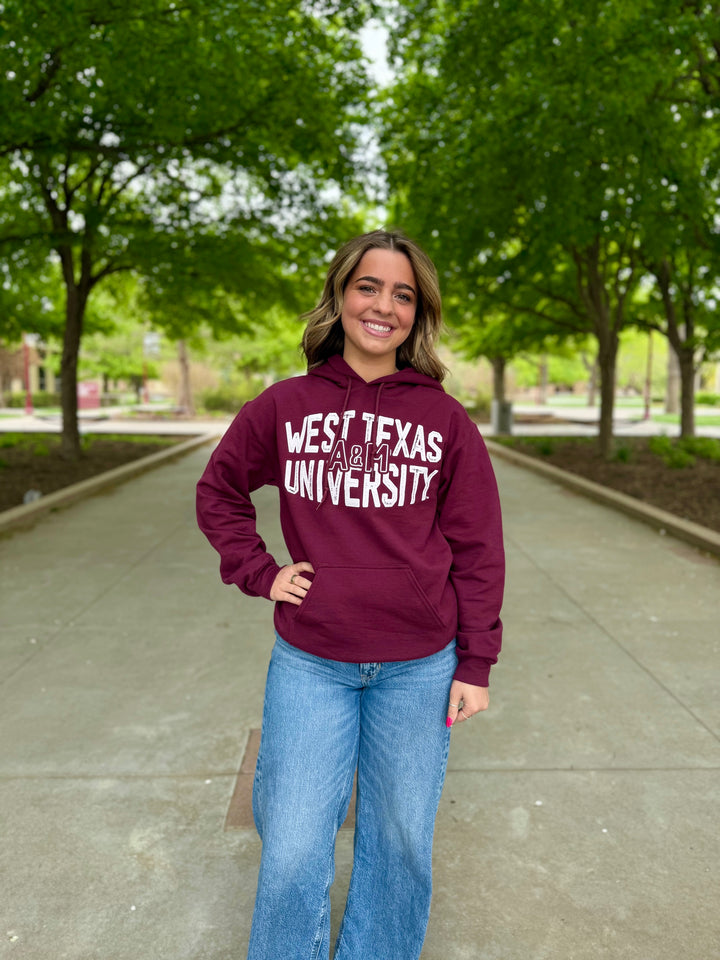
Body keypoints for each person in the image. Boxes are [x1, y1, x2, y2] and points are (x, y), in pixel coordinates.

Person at [196, 229, 505, 960]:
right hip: (313, 662)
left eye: (403, 294)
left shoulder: (446, 422)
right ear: (340, 296)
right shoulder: (285, 406)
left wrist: (476, 662)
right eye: (369, 286)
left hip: (420, 666)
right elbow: (220, 492)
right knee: (295, 846)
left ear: (417, 315)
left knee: (400, 845)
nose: (383, 305)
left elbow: (479, 549)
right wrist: (261, 570)